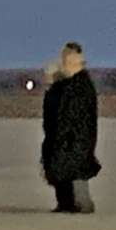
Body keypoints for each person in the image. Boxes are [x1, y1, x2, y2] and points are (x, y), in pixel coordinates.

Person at [46, 42, 100, 213]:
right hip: (64, 137)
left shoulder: (80, 85)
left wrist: (71, 135)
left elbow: (77, 115)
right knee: (62, 170)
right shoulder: (65, 85)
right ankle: (66, 203)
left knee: (77, 170)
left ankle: (81, 204)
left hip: (77, 137)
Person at [41, 61, 67, 212]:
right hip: (53, 137)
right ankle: (63, 202)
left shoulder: (59, 94)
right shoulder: (52, 93)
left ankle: (65, 202)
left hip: (58, 138)